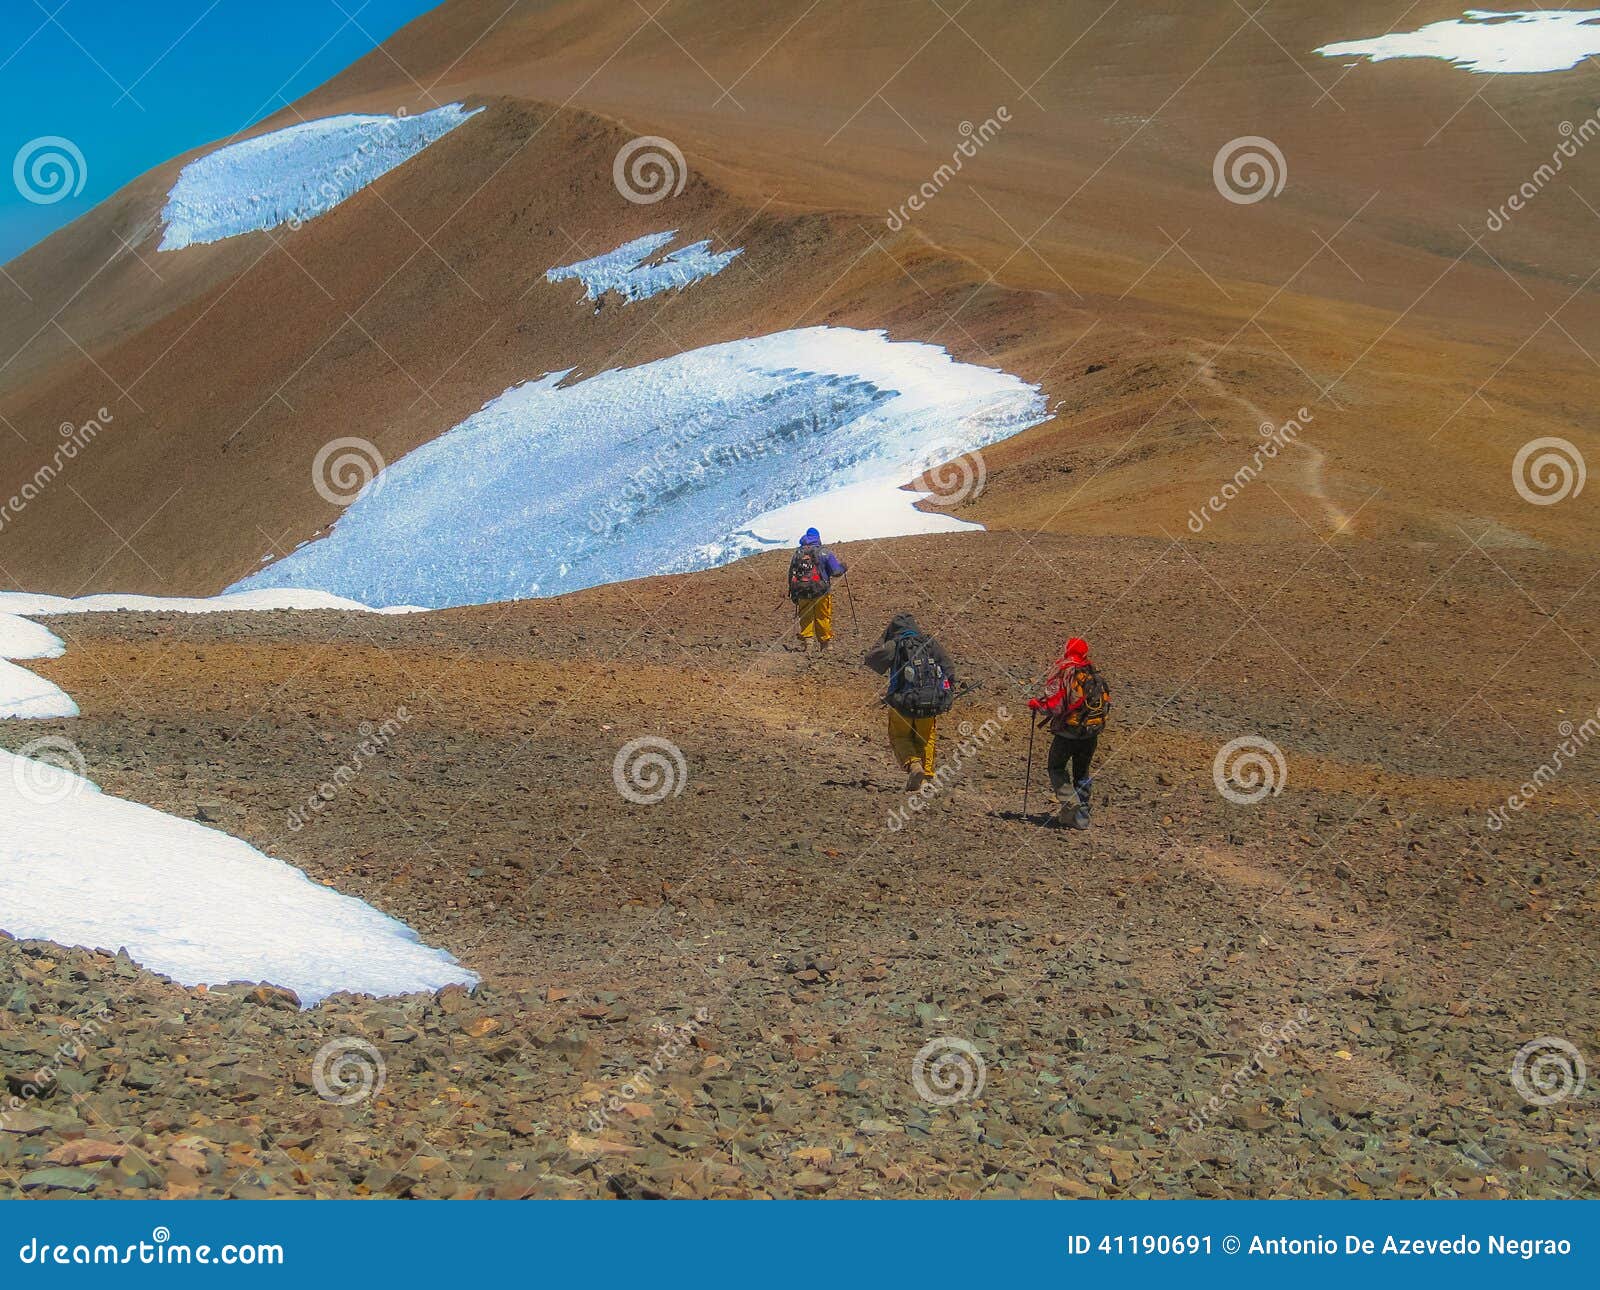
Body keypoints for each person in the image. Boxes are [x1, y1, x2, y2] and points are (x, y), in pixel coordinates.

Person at [865, 613, 958, 790]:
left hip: (902, 702)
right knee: (927, 736)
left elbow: (871, 659)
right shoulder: (929, 643)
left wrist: (883, 638)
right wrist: (946, 693)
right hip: (930, 702)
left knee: (900, 736)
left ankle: (914, 765)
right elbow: (949, 668)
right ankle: (927, 777)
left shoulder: (895, 644)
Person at [1028, 637, 1110, 829]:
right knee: (1081, 773)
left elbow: (1055, 706)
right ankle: (1080, 819)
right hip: (1091, 732)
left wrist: (1037, 705)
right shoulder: (1092, 674)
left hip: (1068, 732)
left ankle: (1070, 801)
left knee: (1056, 767)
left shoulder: (1064, 671)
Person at [787, 527, 847, 652]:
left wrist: (793, 592)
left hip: (802, 591)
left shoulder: (798, 553)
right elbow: (836, 571)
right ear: (818, 538)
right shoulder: (824, 552)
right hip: (821, 591)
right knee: (823, 616)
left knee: (805, 615)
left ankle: (808, 642)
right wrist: (843, 568)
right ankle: (825, 644)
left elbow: (791, 573)